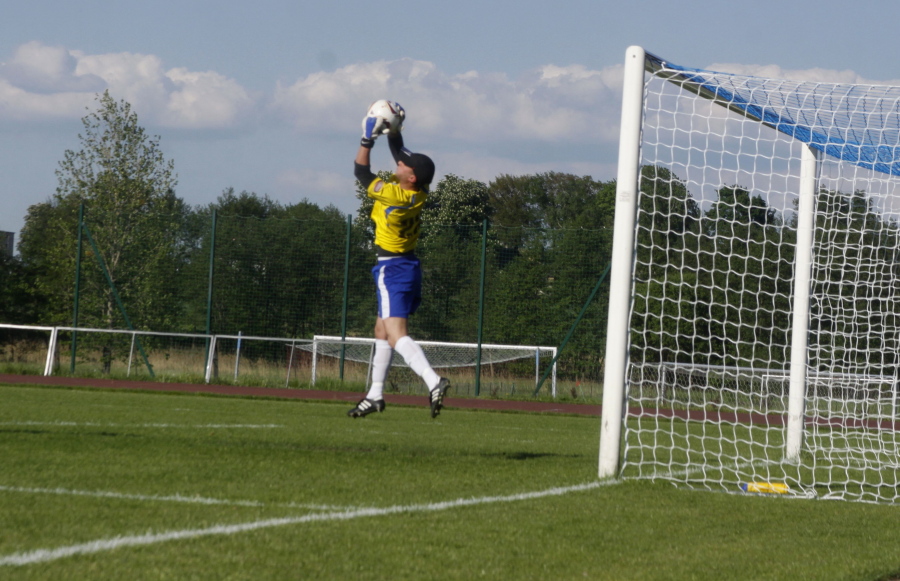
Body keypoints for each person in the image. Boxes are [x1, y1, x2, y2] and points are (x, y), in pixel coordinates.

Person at [347, 102, 450, 419]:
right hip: (407, 266)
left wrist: (367, 139)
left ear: (411, 176)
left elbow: (361, 172)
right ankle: (375, 395)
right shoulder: (418, 191)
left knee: (396, 333)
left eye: (404, 165)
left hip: (392, 268)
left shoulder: (394, 195)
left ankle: (433, 381)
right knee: (381, 330)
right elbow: (400, 152)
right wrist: (394, 130)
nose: (399, 163)